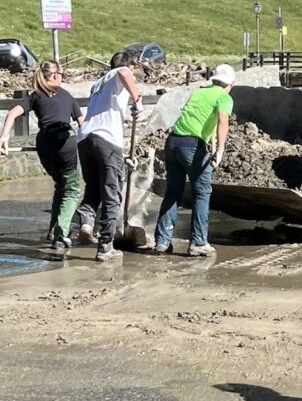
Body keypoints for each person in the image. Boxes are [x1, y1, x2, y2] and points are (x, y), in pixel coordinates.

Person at [152, 63, 235, 258]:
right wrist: (221, 150)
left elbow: (204, 120)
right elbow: (223, 121)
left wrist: (212, 144)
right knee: (202, 192)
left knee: (173, 192)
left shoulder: (199, 93)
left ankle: (162, 241)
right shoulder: (224, 97)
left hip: (173, 142)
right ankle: (198, 242)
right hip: (192, 146)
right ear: (231, 84)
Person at [0, 61, 84, 250]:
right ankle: (61, 232)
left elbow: (13, 113)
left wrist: (4, 137)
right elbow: (82, 123)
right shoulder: (66, 95)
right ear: (54, 76)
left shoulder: (35, 96)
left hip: (44, 143)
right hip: (64, 142)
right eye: (61, 74)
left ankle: (53, 230)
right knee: (72, 189)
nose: (63, 77)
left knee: (60, 185)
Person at [76, 50, 143, 263]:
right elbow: (124, 72)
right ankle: (106, 246)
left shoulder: (98, 83)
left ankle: (86, 222)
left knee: (94, 185)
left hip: (85, 137)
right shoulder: (120, 73)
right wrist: (138, 100)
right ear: (130, 65)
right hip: (106, 138)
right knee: (112, 193)